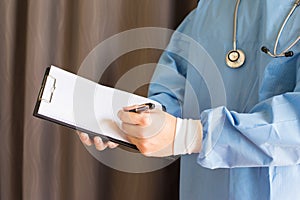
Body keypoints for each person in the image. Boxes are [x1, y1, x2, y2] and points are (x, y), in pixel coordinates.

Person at [80, 0, 300, 199]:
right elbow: (172, 87)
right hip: (201, 188)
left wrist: (188, 134)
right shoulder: (210, 8)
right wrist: (127, 123)